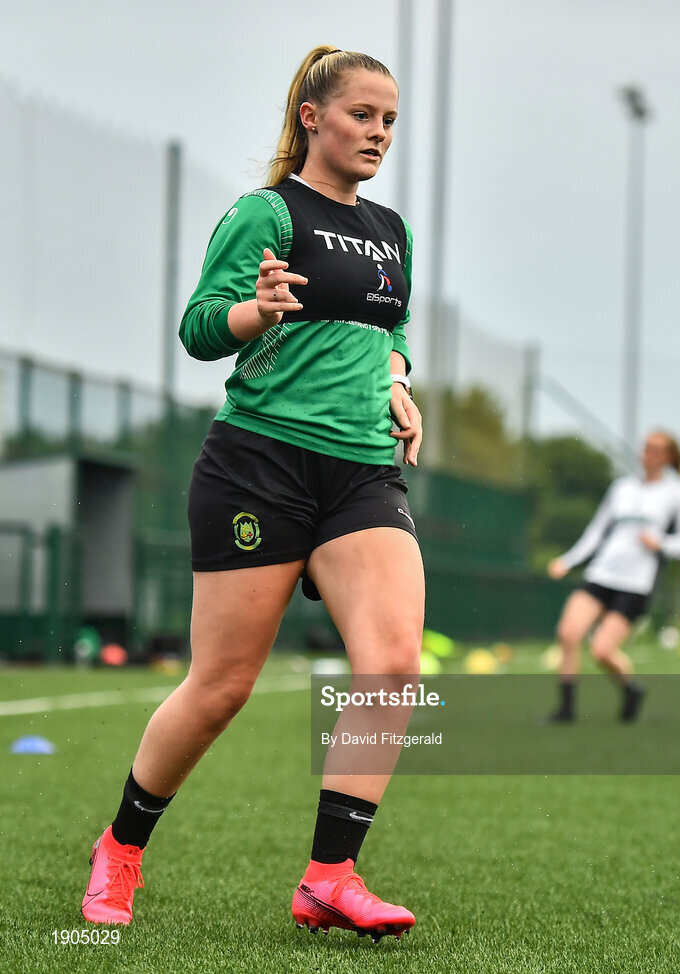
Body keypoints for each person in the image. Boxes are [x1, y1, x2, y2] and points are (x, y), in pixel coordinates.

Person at [81, 46, 424, 943]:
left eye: (389, 119)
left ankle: (329, 877)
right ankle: (120, 847)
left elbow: (393, 328)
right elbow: (200, 328)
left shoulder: (392, 229)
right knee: (221, 686)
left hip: (359, 471)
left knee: (391, 669)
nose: (378, 133)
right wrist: (257, 312)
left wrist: (396, 378)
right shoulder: (265, 214)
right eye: (362, 115)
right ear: (313, 117)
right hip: (259, 466)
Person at [546, 430, 680, 722]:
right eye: (645, 448)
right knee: (568, 633)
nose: (647, 454)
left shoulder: (677, 493)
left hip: (635, 584)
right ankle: (566, 710)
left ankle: (630, 690)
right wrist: (568, 560)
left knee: (601, 650)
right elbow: (596, 532)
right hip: (601, 574)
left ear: (668, 456)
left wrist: (662, 543)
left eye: (655, 449)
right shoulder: (622, 488)